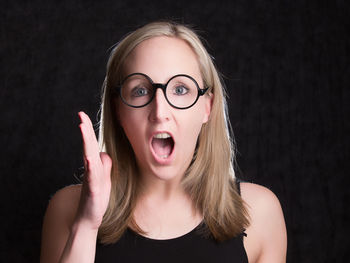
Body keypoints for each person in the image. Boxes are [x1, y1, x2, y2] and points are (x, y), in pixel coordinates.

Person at [40, 21, 287, 263]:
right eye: (140, 90)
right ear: (118, 112)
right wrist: (86, 224)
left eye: (180, 90)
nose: (159, 111)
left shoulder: (259, 213)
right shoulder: (68, 209)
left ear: (207, 107)